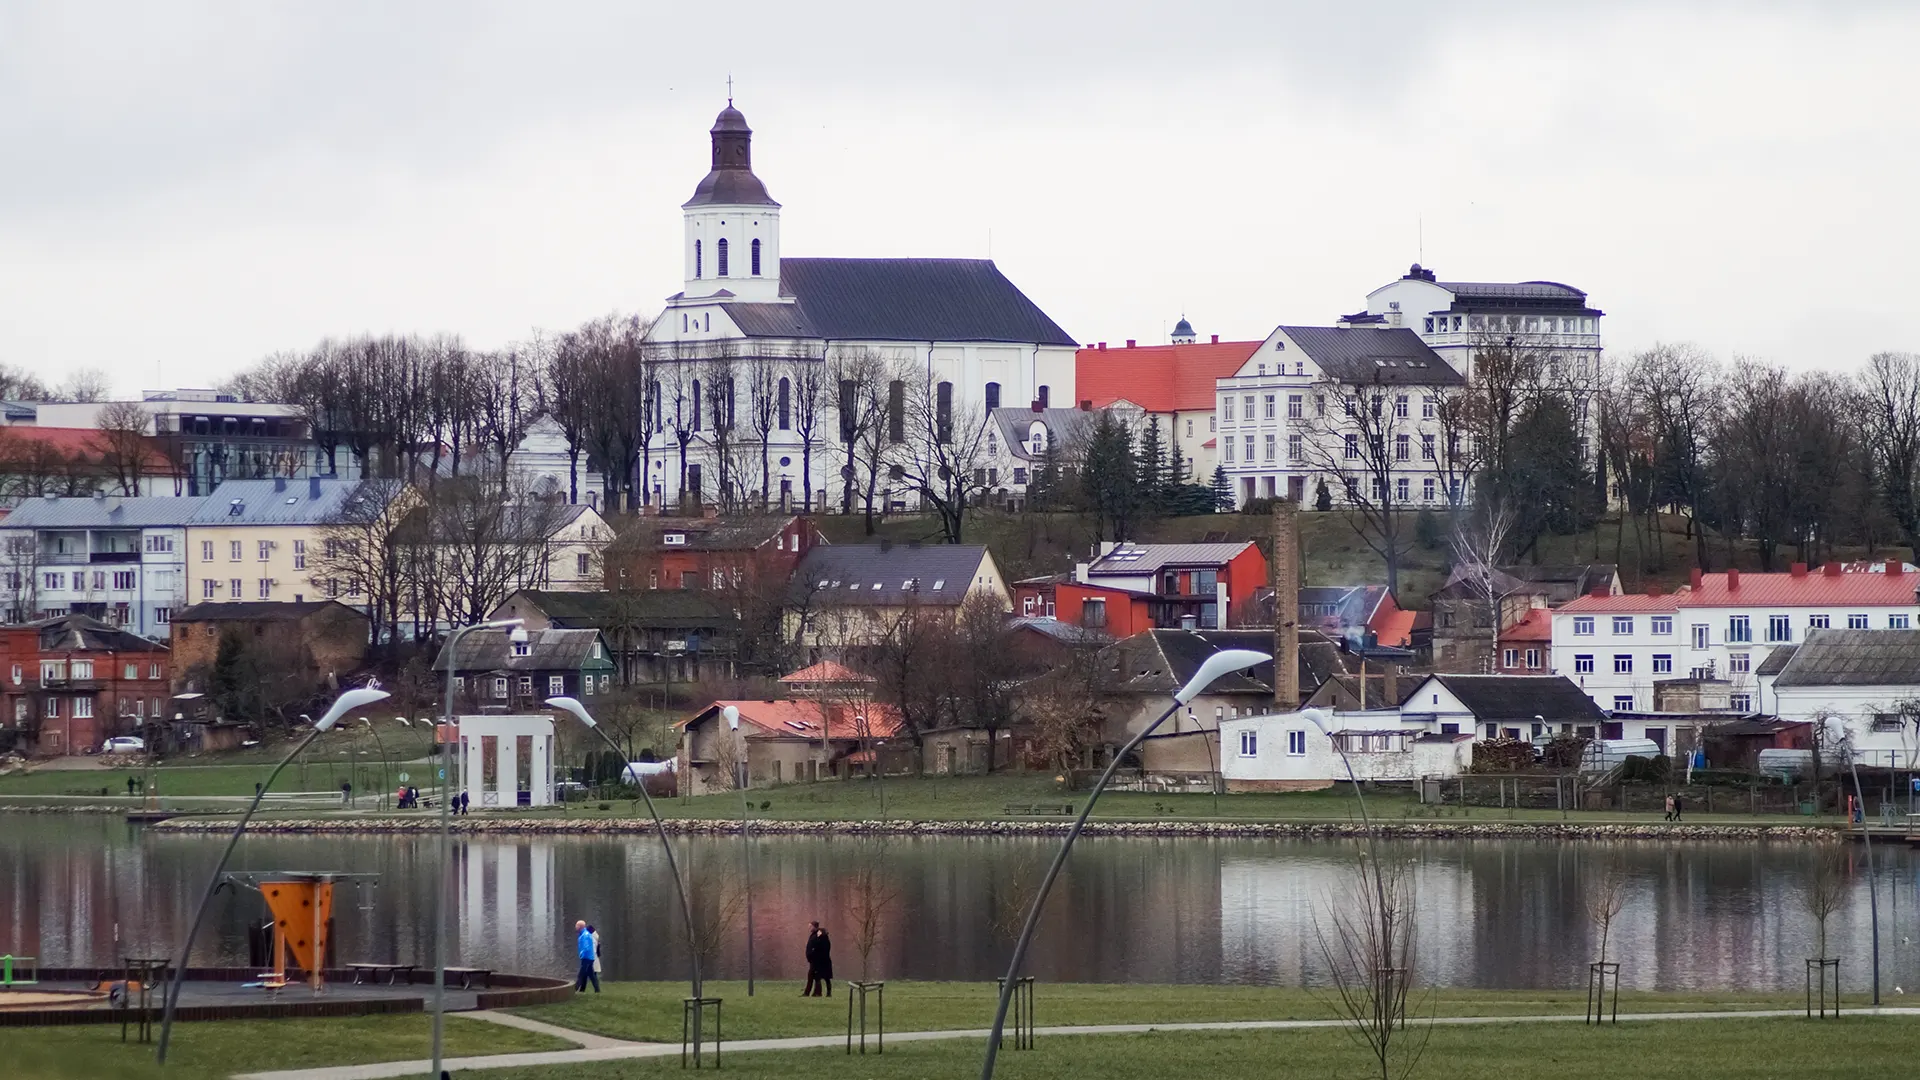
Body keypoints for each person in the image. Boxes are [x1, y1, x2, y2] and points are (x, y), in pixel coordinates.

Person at [804, 922, 833, 997]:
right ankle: (809, 993)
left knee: (823, 977)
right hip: (814, 960)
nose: (809, 928)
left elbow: (820, 946)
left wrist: (814, 953)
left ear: (814, 927)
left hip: (820, 961)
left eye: (810, 926)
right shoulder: (815, 935)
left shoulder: (820, 936)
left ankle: (820, 993)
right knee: (812, 976)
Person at [574, 920, 600, 992]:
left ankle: (574, 990)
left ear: (580, 926)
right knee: (591, 976)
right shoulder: (584, 934)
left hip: (587, 958)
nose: (575, 927)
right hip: (589, 958)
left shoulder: (585, 935)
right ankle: (597, 990)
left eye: (576, 925)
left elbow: (586, 948)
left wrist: (581, 954)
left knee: (581, 974)